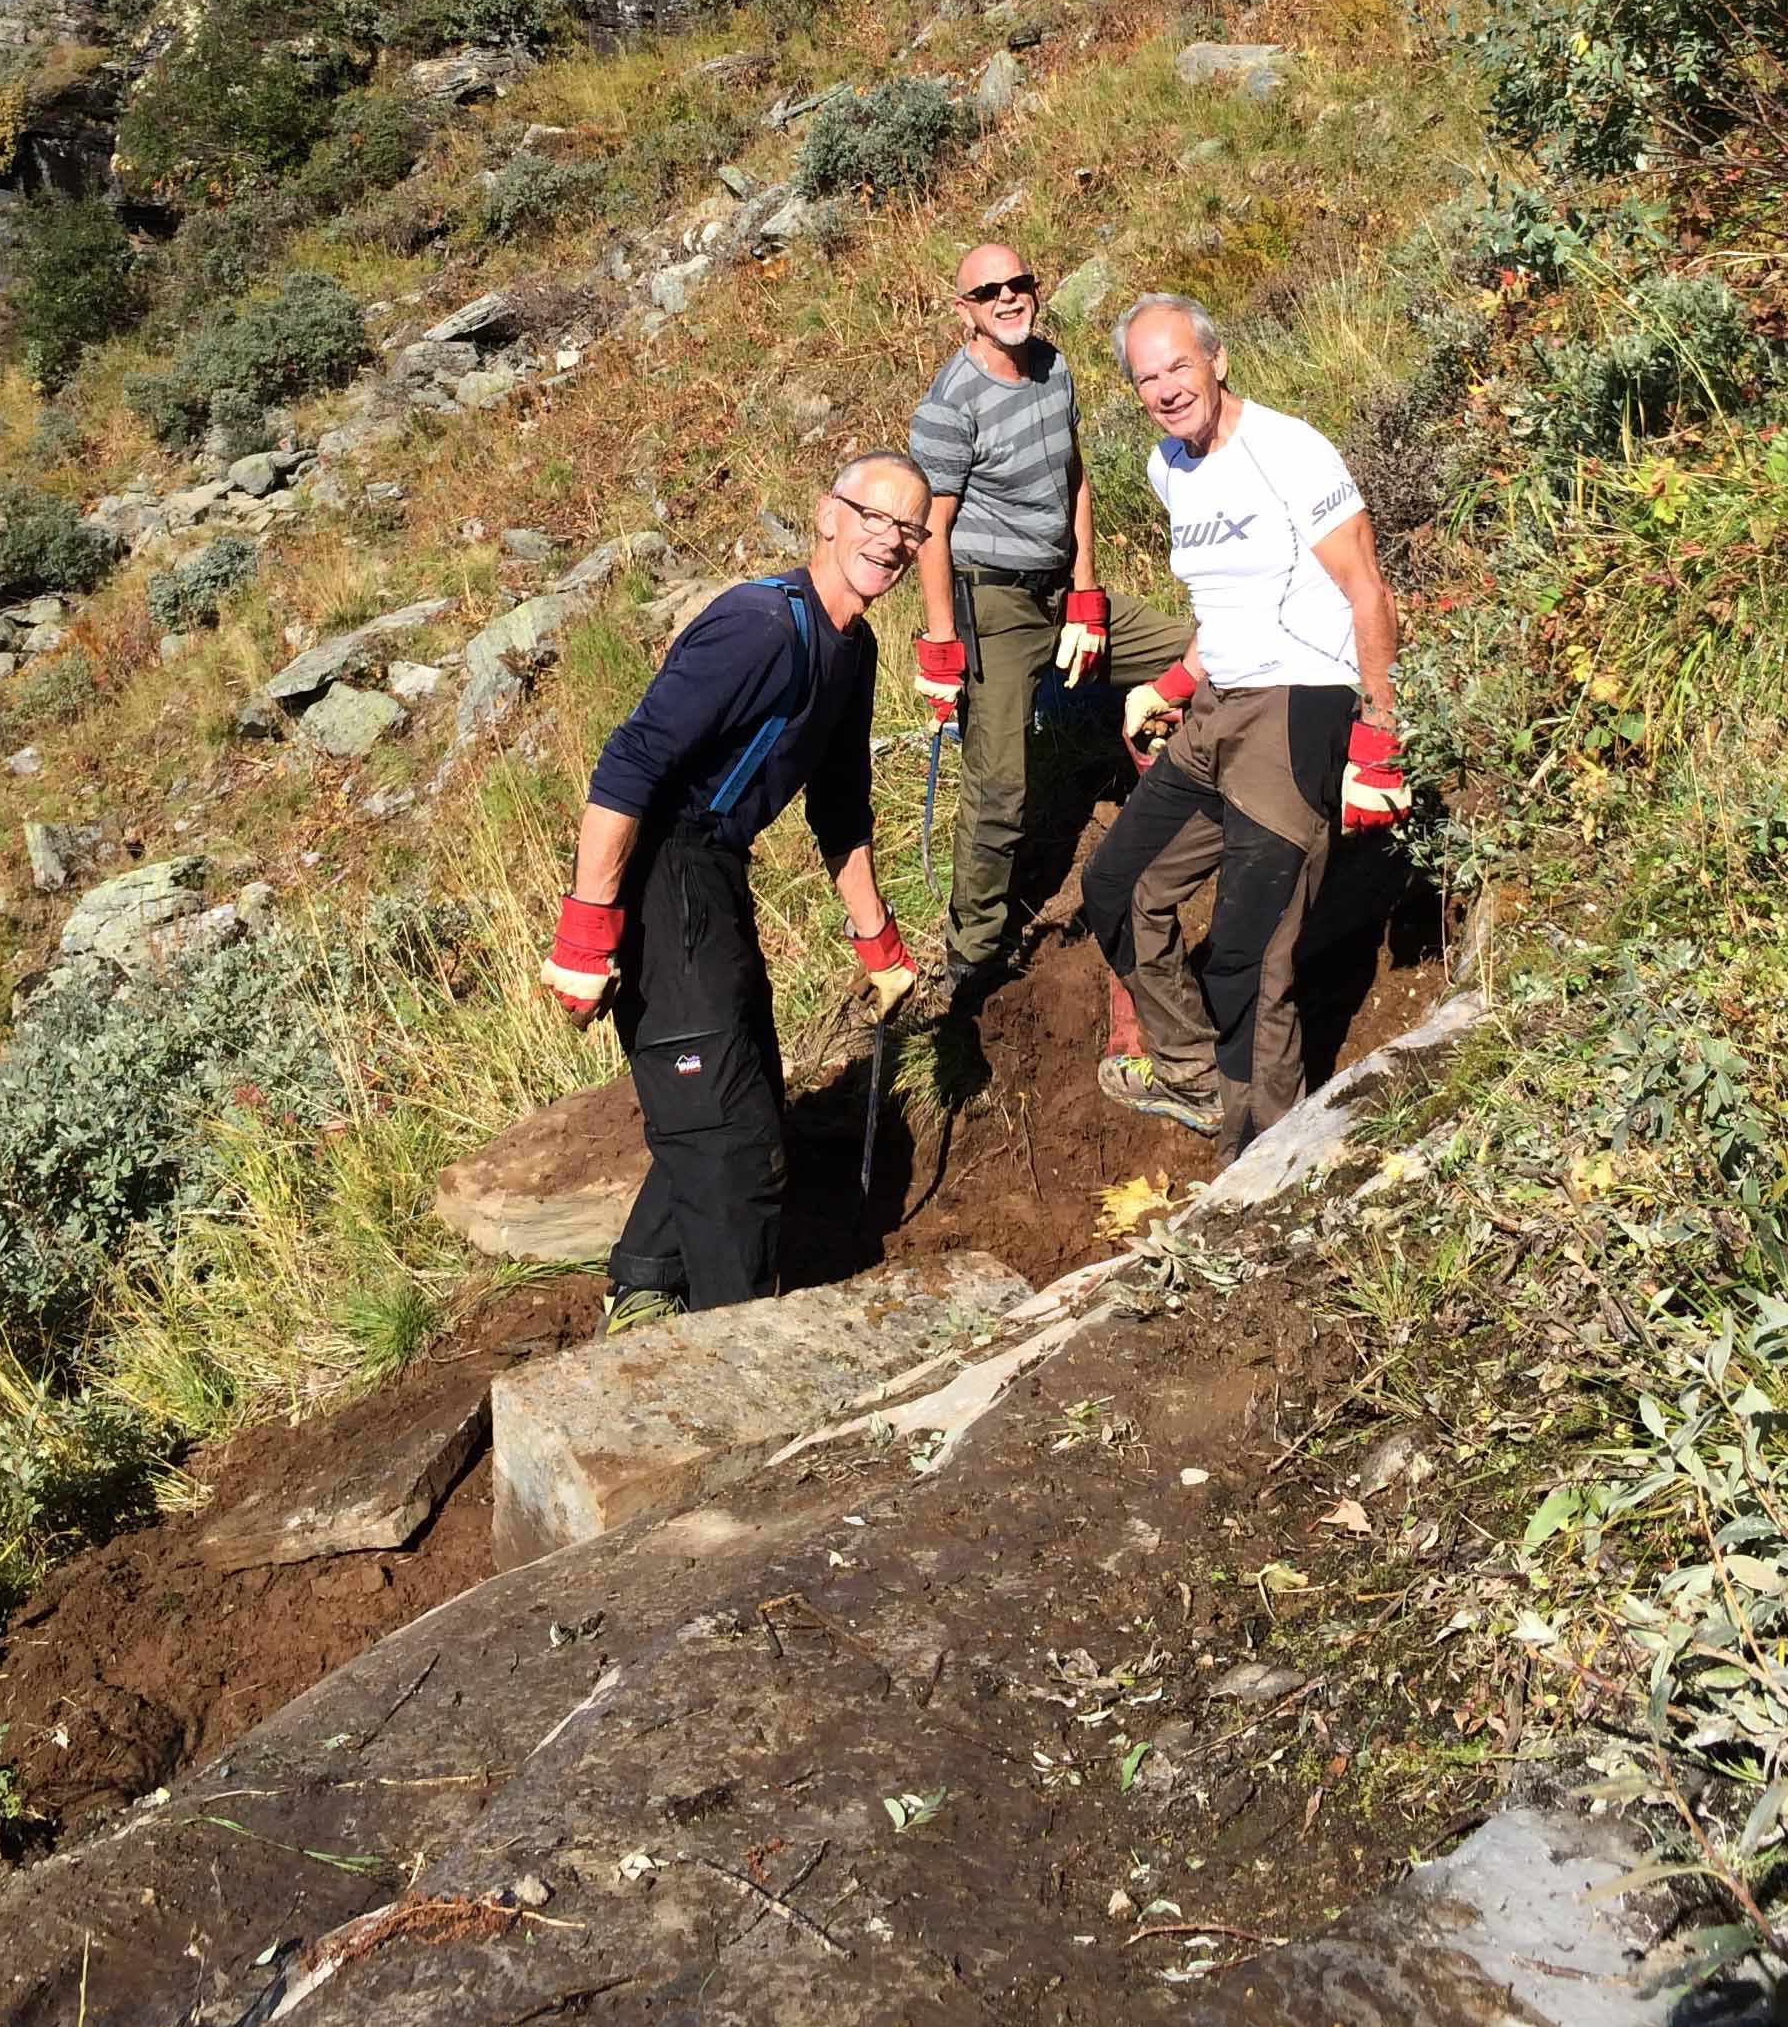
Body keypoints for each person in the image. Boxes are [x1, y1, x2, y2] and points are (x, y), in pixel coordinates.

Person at [543, 451, 929, 1323]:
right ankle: (733, 1345)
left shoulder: (852, 649)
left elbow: (840, 806)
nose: (891, 540)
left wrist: (879, 944)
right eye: (875, 516)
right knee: (734, 1143)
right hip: (662, 874)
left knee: (739, 1094)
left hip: (715, 875)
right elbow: (627, 762)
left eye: (910, 528)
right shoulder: (759, 626)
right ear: (827, 514)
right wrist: (584, 937)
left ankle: (645, 1283)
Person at [1079, 293, 1411, 1156]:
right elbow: (1224, 598)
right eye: (1146, 377)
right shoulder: (1167, 467)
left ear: (1218, 361)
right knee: (1118, 887)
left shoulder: (1289, 450)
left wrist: (1377, 735)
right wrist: (1174, 682)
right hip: (1218, 706)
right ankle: (1192, 1075)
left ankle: (1264, 1153)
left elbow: (1367, 589)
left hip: (1300, 702)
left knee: (1249, 954)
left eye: (1178, 366)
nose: (1165, 389)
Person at [907, 243, 1191, 995]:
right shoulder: (949, 404)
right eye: (988, 290)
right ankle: (972, 957)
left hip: (1059, 590)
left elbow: (1075, 478)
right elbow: (932, 526)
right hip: (991, 602)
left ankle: (1212, 796)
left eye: (1019, 284)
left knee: (1198, 653)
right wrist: (941, 643)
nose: (1008, 299)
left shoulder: (1054, 368)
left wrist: (1088, 595)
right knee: (1000, 785)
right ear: (961, 308)